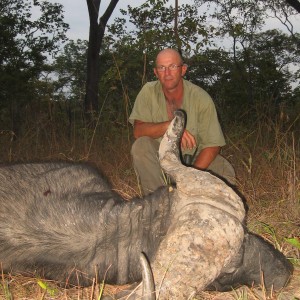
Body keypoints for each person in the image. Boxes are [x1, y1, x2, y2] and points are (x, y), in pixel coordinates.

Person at [129, 48, 235, 195]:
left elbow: (213, 145)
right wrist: (171, 126)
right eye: (162, 68)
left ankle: (192, 196)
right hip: (162, 163)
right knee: (141, 146)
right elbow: (138, 131)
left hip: (194, 163)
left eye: (172, 66)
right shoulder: (148, 91)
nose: (167, 73)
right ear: (155, 72)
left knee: (225, 170)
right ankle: (157, 202)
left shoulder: (201, 97)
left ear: (183, 69)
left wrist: (189, 177)